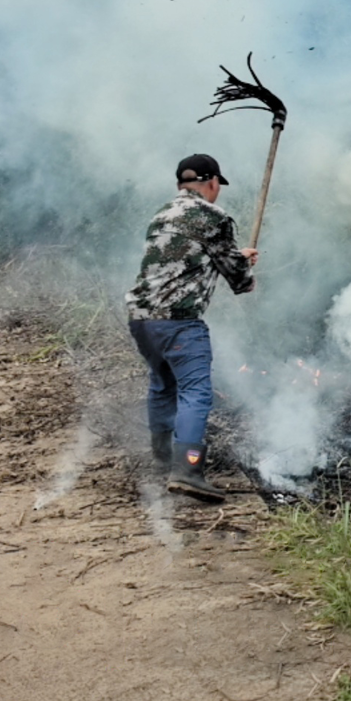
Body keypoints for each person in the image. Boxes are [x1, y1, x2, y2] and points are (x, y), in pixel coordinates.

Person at [125, 152, 257, 502]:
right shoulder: (213, 217)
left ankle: (162, 461)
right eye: (217, 186)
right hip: (178, 322)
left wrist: (236, 257)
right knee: (195, 392)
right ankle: (187, 471)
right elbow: (239, 280)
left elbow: (187, 258)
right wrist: (245, 270)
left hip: (141, 319)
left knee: (162, 385)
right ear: (212, 183)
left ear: (181, 185)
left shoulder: (162, 215)